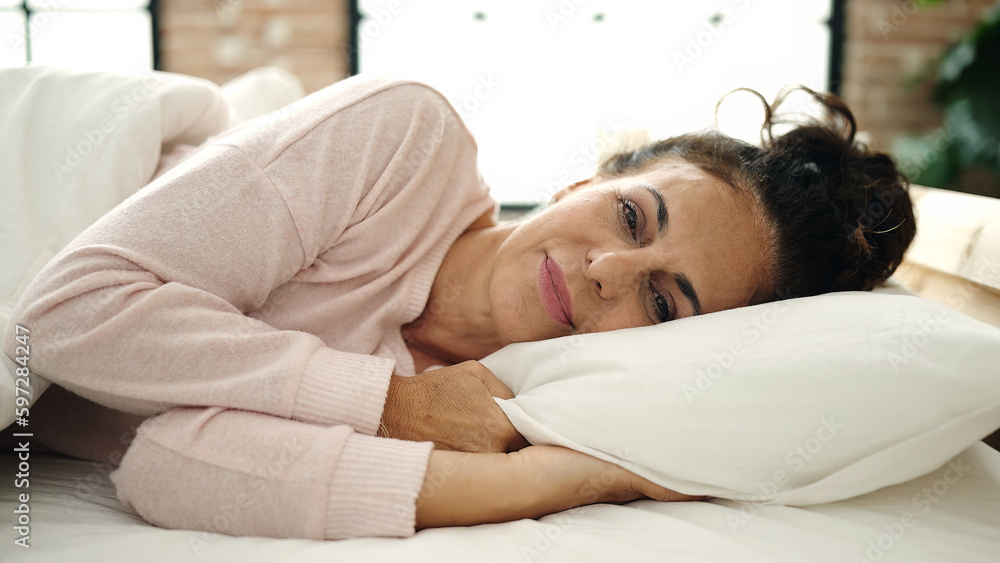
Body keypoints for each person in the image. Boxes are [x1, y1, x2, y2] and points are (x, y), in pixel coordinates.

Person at [2, 75, 915, 540]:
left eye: (664, 303)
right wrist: (388, 406)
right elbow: (63, 313)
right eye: (634, 215)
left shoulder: (497, 406)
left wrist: (566, 477)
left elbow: (163, 465)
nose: (607, 268)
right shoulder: (408, 139)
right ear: (585, 180)